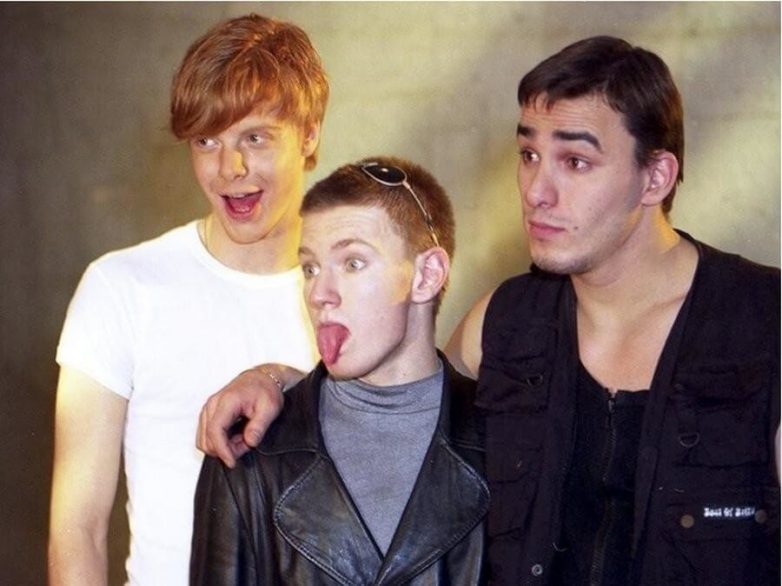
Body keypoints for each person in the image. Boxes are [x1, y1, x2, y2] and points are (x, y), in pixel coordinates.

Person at [198, 36, 780, 585]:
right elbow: (396, 400)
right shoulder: (502, 325)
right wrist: (275, 380)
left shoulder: (766, 325)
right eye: (529, 154)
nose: (536, 191)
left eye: (575, 161)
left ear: (655, 177)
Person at [48, 14, 328, 585]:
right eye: (207, 140)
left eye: (255, 137)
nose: (230, 169)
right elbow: (77, 529)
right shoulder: (122, 287)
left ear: (309, 134)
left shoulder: (355, 295)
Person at [190, 156, 488, 584]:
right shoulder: (250, 449)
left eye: (352, 263)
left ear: (427, 275)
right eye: (310, 268)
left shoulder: (507, 443)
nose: (320, 294)